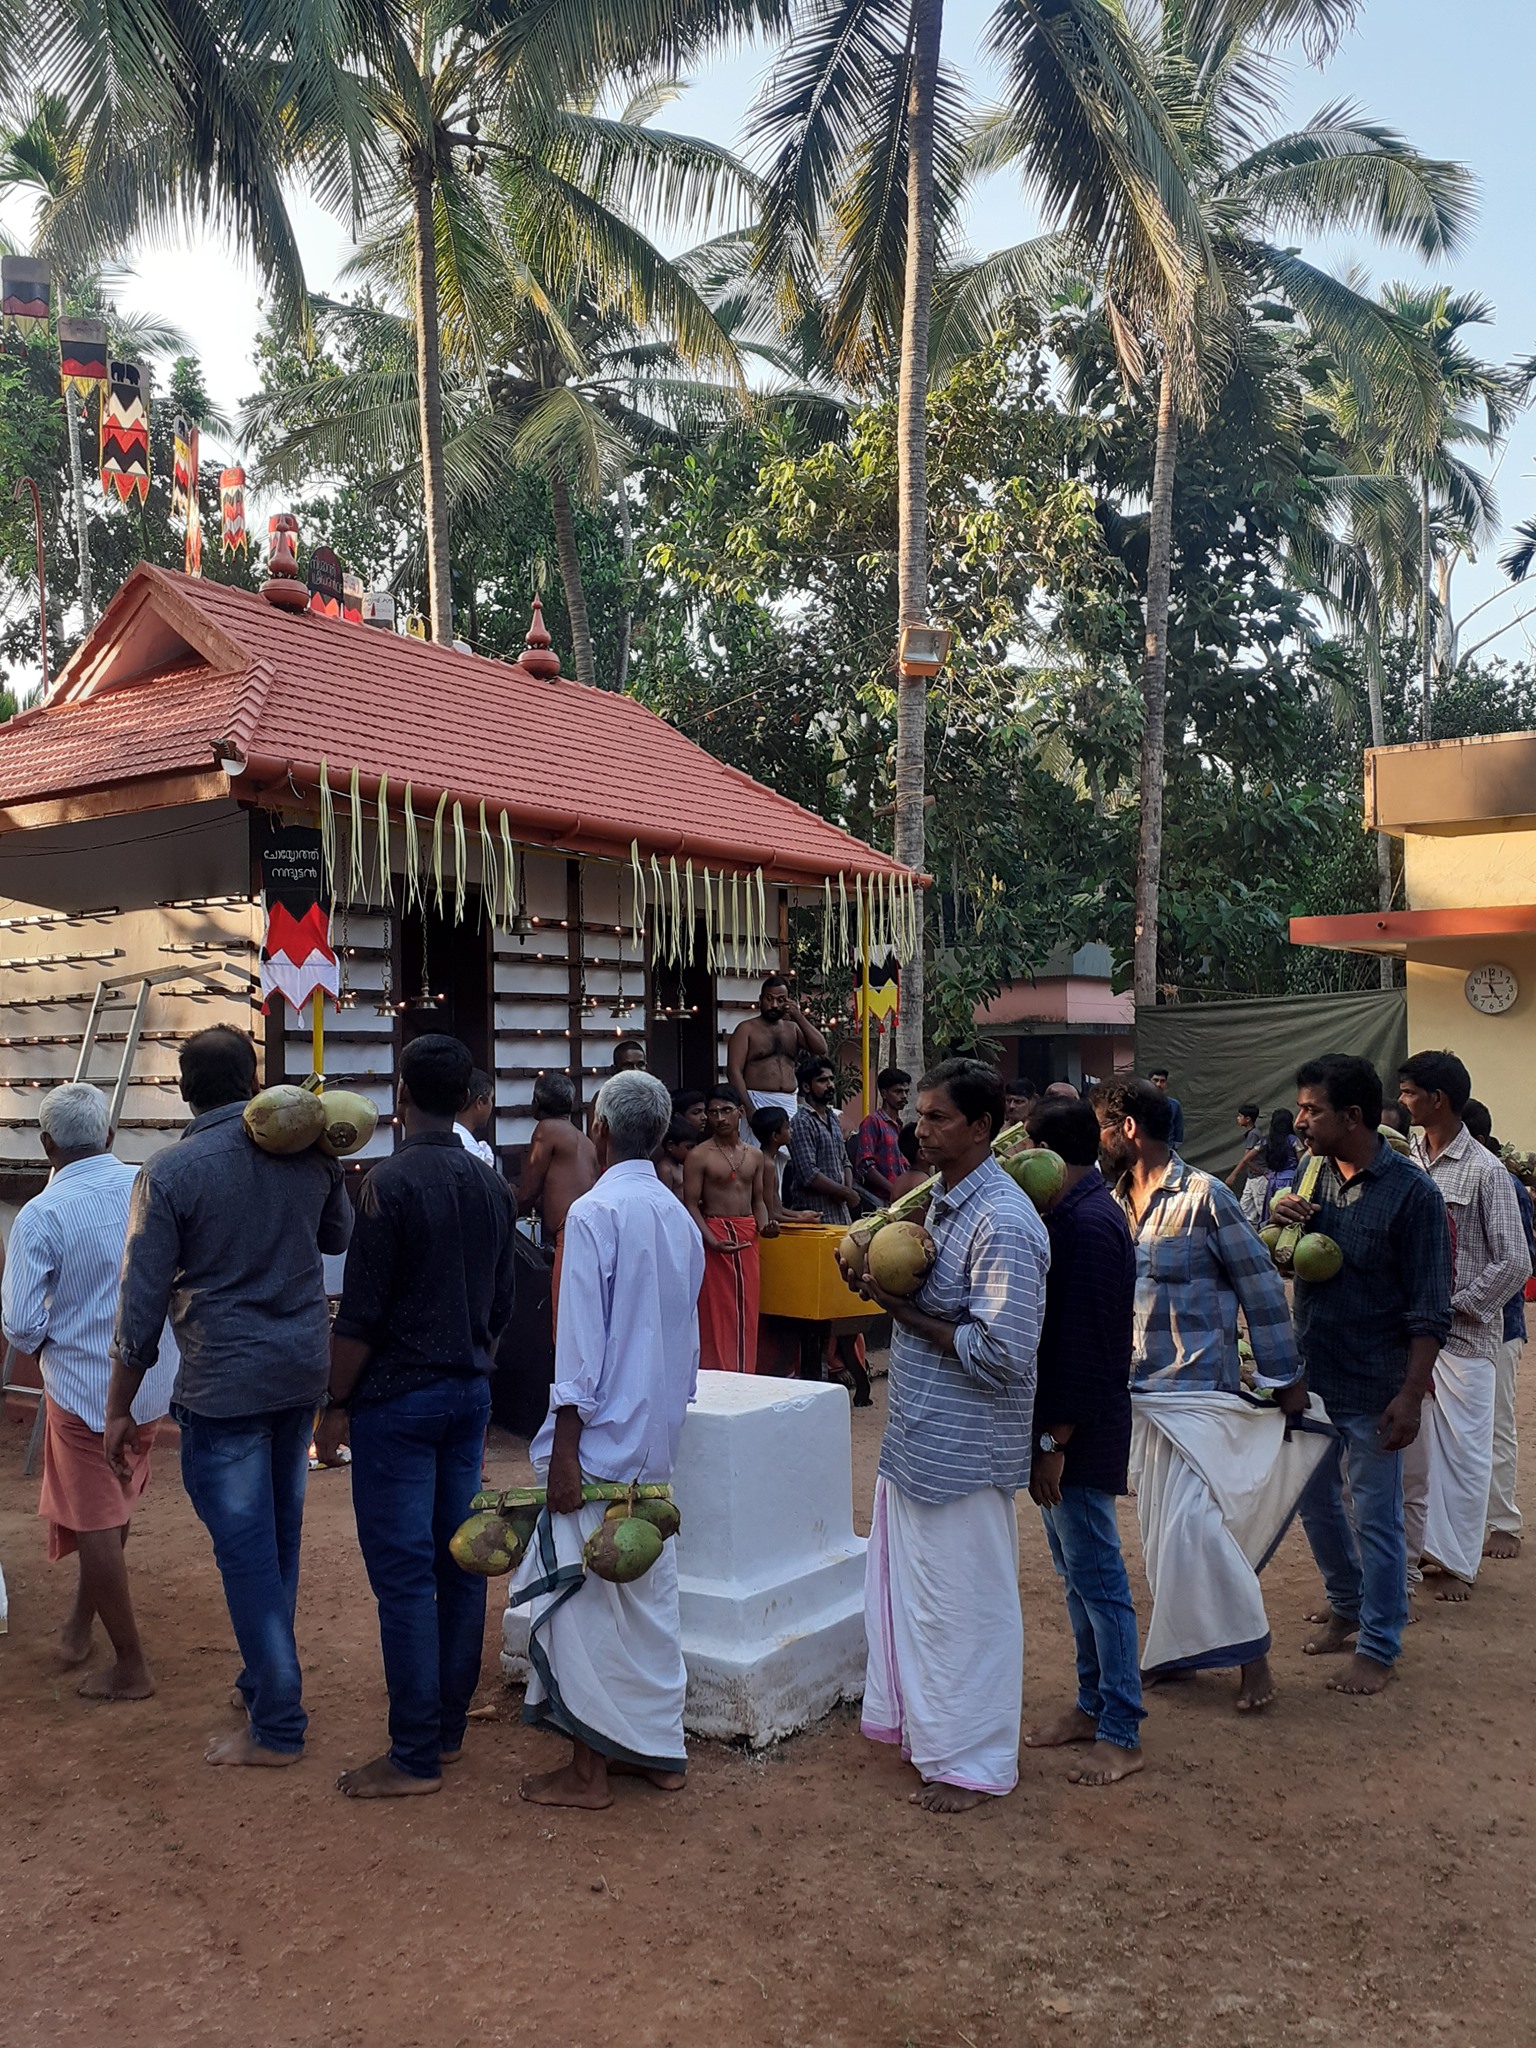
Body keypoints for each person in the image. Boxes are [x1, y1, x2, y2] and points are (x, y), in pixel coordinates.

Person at [106, 1026, 353, 1766]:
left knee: (246, 1551)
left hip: (225, 1381)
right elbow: (336, 1238)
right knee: (276, 1539)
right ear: (253, 1083)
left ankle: (277, 1722)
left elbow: (140, 1305)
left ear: (184, 1090)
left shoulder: (172, 1171)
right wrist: (329, 1166)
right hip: (299, 1371)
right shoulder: (309, 1159)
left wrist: (119, 1406)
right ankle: (259, 1680)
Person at [314, 1035, 516, 1797]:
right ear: (469, 1095)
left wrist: (335, 1406)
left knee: (403, 1579)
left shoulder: (386, 1186)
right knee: (460, 1563)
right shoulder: (492, 1185)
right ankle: (448, 1732)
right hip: (468, 1392)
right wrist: (470, 1356)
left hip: (396, 1402)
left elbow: (359, 1316)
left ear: (402, 1095)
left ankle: (414, 1755)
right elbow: (502, 1306)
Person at [846, 1059, 1047, 1814]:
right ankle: (935, 1740)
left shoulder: (1003, 1221)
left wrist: (902, 1317)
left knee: (969, 1611)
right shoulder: (939, 1206)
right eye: (920, 1116)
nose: (920, 1129)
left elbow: (1003, 1353)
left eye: (937, 1119)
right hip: (919, 1442)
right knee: (925, 1608)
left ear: (985, 1128)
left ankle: (976, 1762)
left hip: (965, 1451)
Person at [511, 1070, 704, 1810]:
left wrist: (564, 1453)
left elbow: (579, 1354)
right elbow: (685, 1352)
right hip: (656, 1440)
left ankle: (588, 1774)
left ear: (598, 1131)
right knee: (649, 1599)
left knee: (587, 1610)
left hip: (597, 1444)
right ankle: (662, 1753)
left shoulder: (594, 1215)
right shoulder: (679, 1220)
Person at [1093, 1077, 1315, 1714]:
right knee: (1161, 1533)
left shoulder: (1205, 1196)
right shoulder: (1109, 1201)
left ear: (1129, 1128)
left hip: (1196, 1392)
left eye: (1103, 1127)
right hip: (1137, 1396)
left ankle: (1254, 1658)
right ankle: (1182, 1654)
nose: (1098, 1139)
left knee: (1196, 1531)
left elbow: (1262, 1289)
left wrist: (1285, 1381)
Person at [1281, 1057, 1453, 1696]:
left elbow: (1430, 1306)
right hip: (1313, 1377)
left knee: (1376, 1517)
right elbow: (1295, 1259)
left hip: (1376, 1386)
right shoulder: (1314, 1175)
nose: (1301, 1121)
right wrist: (1290, 1225)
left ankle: (1379, 1645)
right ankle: (1346, 1605)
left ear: (1351, 1117)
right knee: (1316, 1502)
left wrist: (1410, 1395)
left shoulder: (1413, 1194)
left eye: (1311, 1110)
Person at [2, 1083, 177, 1701]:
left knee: (98, 1516)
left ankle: (131, 1666)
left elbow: (21, 1325)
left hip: (84, 1388)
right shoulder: (150, 1182)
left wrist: (67, 1332)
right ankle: (81, 1623)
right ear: (109, 1135)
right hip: (151, 1380)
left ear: (46, 1145)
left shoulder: (42, 1214)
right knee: (110, 1505)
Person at [1017, 1095, 1142, 1787]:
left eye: (1023, 1147)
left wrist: (1053, 1441)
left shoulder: (1090, 1226)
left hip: (1078, 1432)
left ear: (1045, 1154)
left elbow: (1092, 1350)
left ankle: (1122, 1728)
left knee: (1099, 1582)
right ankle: (1092, 1704)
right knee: (1077, 1578)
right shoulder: (1068, 1216)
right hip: (1063, 1428)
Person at [1398, 1052, 1527, 1603]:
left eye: (1407, 1093)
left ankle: (1456, 1565)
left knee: (1466, 1451)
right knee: (1420, 1452)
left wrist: (1453, 1306)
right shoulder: (1408, 1158)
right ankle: (1425, 1550)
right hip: (1414, 1335)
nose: (1401, 1102)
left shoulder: (1486, 1171)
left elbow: (1516, 1261)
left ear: (1437, 1100)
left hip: (1466, 1338)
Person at [1462, 1099, 1532, 1561]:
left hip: (1500, 1325)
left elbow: (1522, 1257)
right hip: (1448, 1330)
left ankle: (1503, 1521)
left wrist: (1472, 1298)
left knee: (1497, 1426)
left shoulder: (1502, 1182)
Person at [684, 1085, 777, 1374]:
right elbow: (690, 1206)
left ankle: (745, 1375)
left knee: (747, 1309)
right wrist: (711, 1240)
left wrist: (765, 1226)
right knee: (716, 1312)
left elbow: (758, 1201)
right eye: (713, 1112)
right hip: (715, 1231)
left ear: (740, 1113)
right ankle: (718, 1377)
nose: (719, 1118)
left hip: (747, 1233)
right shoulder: (699, 1155)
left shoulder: (755, 1156)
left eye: (726, 1111)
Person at [516, 1072, 599, 1325]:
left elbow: (529, 1191)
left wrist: (507, 1209)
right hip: (585, 1230)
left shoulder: (547, 1129)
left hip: (569, 1232)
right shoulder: (583, 1139)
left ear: (536, 1103)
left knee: (563, 1318)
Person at [727, 974, 828, 1135]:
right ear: (760, 999)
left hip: (788, 1101)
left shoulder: (793, 1028)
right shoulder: (746, 1029)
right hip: (757, 1099)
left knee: (790, 1154)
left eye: (780, 1000)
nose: (774, 1005)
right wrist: (748, 1107)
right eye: (769, 999)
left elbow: (821, 1048)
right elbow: (733, 1071)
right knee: (759, 1154)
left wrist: (798, 1016)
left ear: (788, 1002)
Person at [784, 1057, 855, 1223]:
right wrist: (844, 1192)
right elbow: (808, 1174)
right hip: (814, 1217)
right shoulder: (801, 1122)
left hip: (840, 1214)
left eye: (831, 1079)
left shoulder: (833, 1118)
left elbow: (845, 1161)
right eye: (822, 1080)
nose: (829, 1085)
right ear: (806, 1087)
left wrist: (847, 1191)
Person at [853, 1066, 911, 1205]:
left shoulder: (899, 1126)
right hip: (880, 1202)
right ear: (884, 1093)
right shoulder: (873, 1122)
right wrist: (893, 1190)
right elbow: (865, 1166)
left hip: (900, 1201)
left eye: (906, 1092)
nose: (903, 1096)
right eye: (898, 1091)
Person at [455, 1067, 497, 1167]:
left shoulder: (455, 1134)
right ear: (480, 1102)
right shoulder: (465, 1142)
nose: (492, 1105)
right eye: (491, 1099)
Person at [655, 1117, 700, 1199]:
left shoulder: (682, 1165)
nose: (693, 1152)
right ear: (670, 1146)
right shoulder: (665, 1169)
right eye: (689, 1147)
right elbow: (665, 1199)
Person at [1223, 1104, 1263, 1191]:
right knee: (1245, 1204)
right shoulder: (1252, 1133)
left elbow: (1246, 1158)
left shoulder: (1253, 1134)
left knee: (1259, 1203)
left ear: (1248, 1119)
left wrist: (1233, 1175)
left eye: (1240, 1116)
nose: (1238, 1118)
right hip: (1252, 1177)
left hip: (1257, 1178)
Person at [1148, 1069, 1184, 1147]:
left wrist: (1175, 1147)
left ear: (1165, 1084)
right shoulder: (1139, 1102)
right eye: (1155, 1080)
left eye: (1162, 1081)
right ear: (1149, 1082)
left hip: (1166, 1149)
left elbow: (1178, 1128)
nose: (1158, 1084)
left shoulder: (1174, 1105)